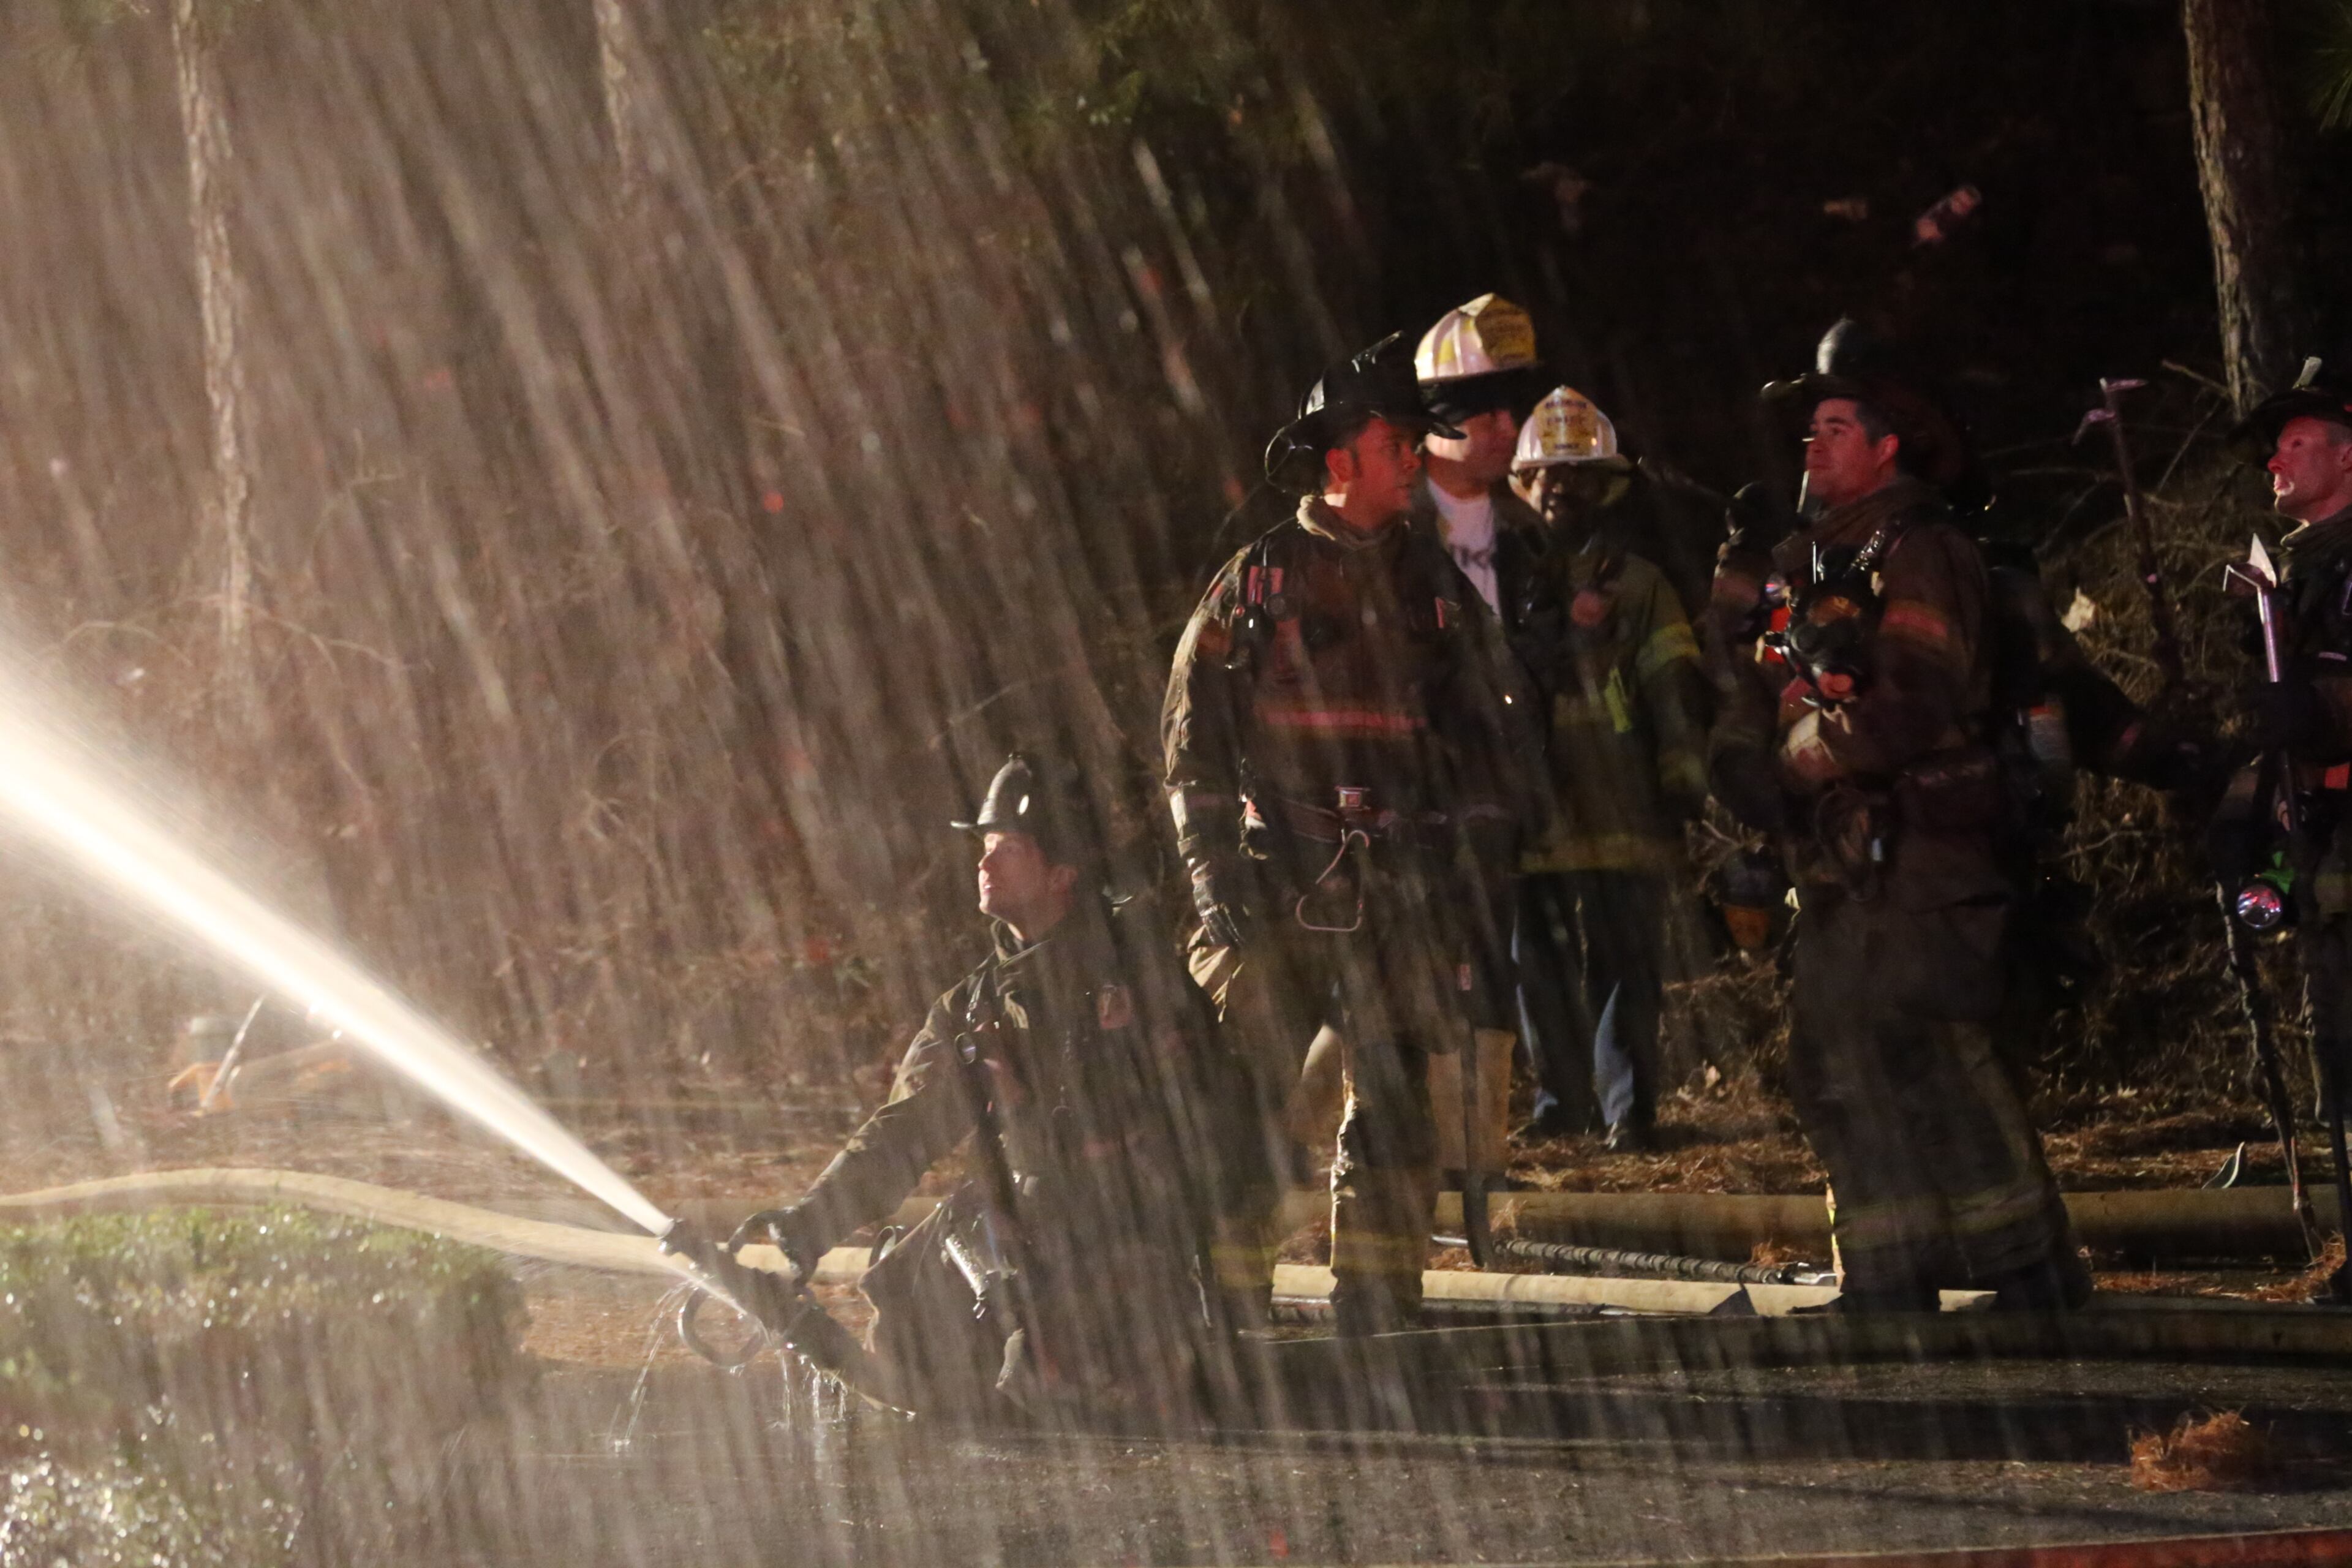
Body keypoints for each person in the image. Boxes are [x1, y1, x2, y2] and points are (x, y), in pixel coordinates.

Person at [1705, 319, 2087, 1312]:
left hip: (1926, 854)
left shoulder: (1923, 549)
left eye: (1834, 426)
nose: (1811, 444)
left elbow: (1914, 696)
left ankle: (2030, 1267)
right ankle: (1888, 1267)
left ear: (1888, 444)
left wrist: (1797, 759)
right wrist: (1742, 604)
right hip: (1844, 865)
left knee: (1938, 1051)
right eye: (1808, 431)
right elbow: (1760, 668)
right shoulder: (1809, 565)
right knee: (1836, 1060)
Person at [1163, 334, 1523, 1333]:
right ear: (1338, 462)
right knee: (1255, 1101)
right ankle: (1227, 1307)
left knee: (1400, 1099)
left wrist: (1476, 862)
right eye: (1394, 440)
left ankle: (1379, 1302)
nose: (1413, 456)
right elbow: (1192, 749)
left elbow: (1488, 737)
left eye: (1417, 439)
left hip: (1401, 885)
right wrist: (1213, 875)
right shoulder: (1257, 583)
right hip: (1277, 879)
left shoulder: (1436, 590)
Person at [728, 754, 1263, 1417]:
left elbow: (1213, 1120)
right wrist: (812, 1220)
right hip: (1025, 1214)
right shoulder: (971, 1004)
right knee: (908, 1327)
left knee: (1050, 1390)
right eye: (983, 847)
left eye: (1006, 848)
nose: (984, 864)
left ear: (1063, 873)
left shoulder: (1138, 977)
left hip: (1128, 1227)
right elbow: (908, 1124)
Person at [1506, 386, 1709, 1149]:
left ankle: (1629, 1112)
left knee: (1628, 964)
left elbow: (1672, 686)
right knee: (1542, 969)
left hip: (1626, 804)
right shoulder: (1493, 582)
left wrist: (1683, 776)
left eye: (1579, 476)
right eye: (1548, 477)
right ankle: (1561, 1107)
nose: (1562, 491)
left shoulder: (1640, 584)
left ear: (1606, 488)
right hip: (1537, 811)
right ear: (1523, 484)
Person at [2223, 357, 2352, 1205]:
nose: (2276, 461)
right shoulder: (2292, 572)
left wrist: (2307, 707)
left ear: (2348, 457)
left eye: (2296, 443)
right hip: (2323, 833)